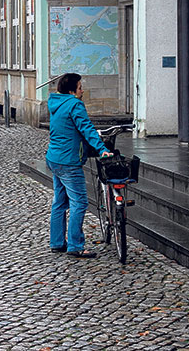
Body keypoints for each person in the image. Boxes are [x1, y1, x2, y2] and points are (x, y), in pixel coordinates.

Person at [46, 73, 112, 258]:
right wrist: (102, 149)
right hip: (68, 161)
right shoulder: (74, 104)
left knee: (59, 202)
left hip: (54, 158)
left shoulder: (56, 103)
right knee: (79, 202)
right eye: (80, 87)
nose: (82, 90)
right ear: (72, 90)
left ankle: (57, 242)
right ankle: (75, 245)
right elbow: (87, 128)